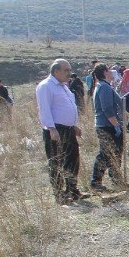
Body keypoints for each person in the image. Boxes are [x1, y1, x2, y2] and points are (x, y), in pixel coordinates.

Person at [35, 59, 85, 203]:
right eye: (66, 70)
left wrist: (73, 125)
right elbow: (45, 109)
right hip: (56, 130)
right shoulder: (46, 86)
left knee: (72, 159)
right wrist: (51, 128)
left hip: (68, 129)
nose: (69, 73)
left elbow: (64, 107)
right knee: (56, 161)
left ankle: (72, 190)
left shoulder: (63, 86)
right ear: (56, 71)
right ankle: (59, 194)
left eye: (69, 70)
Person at [90, 63, 125, 192]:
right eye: (110, 70)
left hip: (107, 125)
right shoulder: (104, 87)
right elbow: (107, 109)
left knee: (113, 153)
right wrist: (116, 125)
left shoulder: (105, 86)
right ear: (105, 72)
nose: (112, 72)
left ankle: (117, 180)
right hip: (106, 125)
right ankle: (96, 182)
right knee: (106, 154)